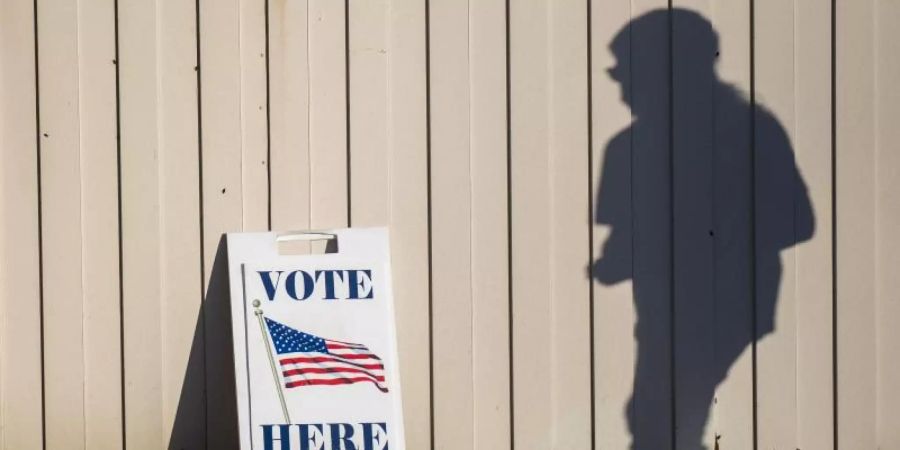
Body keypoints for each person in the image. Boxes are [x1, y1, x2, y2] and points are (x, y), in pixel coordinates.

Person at [592, 8, 814, 449]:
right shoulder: (630, 149)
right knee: (661, 420)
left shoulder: (744, 134)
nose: (620, 89)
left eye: (625, 72)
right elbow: (621, 247)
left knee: (659, 422)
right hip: (680, 316)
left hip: (716, 316)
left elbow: (797, 223)